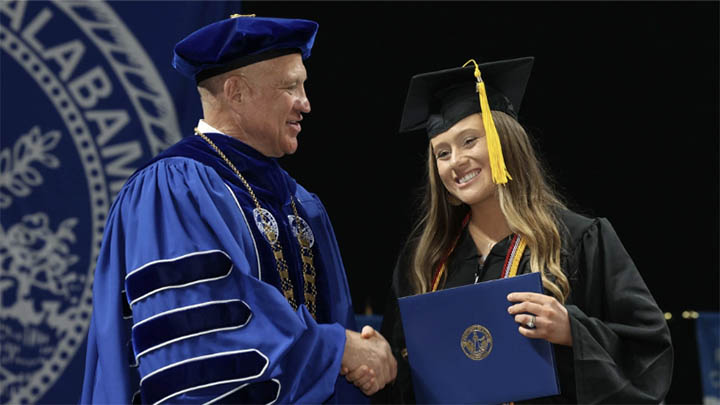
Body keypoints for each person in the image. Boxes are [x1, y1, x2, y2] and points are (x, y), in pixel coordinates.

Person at [80, 15, 396, 404]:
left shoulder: (300, 203)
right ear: (236, 92)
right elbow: (202, 343)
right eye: (290, 86)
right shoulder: (173, 190)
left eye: (305, 86)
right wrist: (339, 349)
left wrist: (360, 356)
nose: (306, 104)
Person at [368, 57, 673, 403]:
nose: (456, 161)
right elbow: (402, 376)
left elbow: (649, 350)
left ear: (505, 143)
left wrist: (572, 331)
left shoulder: (579, 240)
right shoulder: (424, 260)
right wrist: (379, 356)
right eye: (442, 153)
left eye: (469, 141)